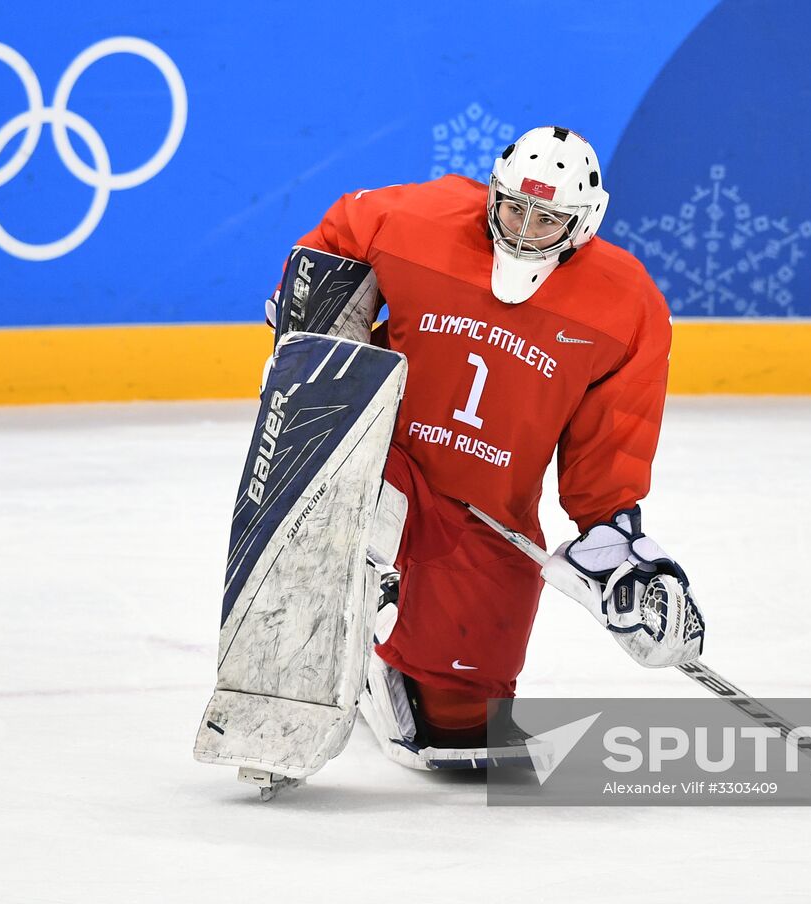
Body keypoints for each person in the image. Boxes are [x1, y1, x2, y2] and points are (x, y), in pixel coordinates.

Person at [273, 126, 694, 763]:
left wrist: (616, 545)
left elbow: (614, 437)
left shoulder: (626, 305)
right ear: (493, 192)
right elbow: (336, 240)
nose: (523, 230)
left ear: (583, 224)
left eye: (546, 219)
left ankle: (391, 652)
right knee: (357, 518)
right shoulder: (419, 219)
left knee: (459, 727)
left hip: (487, 512)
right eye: (514, 207)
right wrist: (311, 327)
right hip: (380, 456)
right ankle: (348, 610)